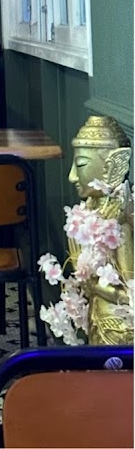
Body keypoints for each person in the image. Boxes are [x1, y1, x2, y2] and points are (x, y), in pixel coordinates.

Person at [68, 115, 133, 346]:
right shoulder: (89, 212)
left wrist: (93, 286)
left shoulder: (119, 222)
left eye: (80, 165)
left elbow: (129, 294)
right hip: (98, 315)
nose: (72, 176)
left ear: (111, 167)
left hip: (116, 325)